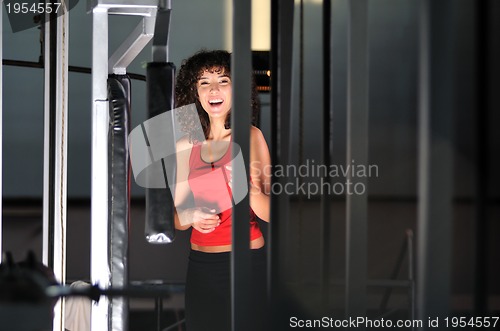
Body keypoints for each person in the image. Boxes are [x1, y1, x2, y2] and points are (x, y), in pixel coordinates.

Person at [173, 49, 271, 331]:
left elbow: (270, 213)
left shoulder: (251, 136)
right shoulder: (185, 144)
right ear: (195, 92)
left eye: (223, 80)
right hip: (202, 264)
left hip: (246, 262)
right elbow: (178, 219)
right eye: (204, 82)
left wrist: (248, 188)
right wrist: (193, 215)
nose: (213, 89)